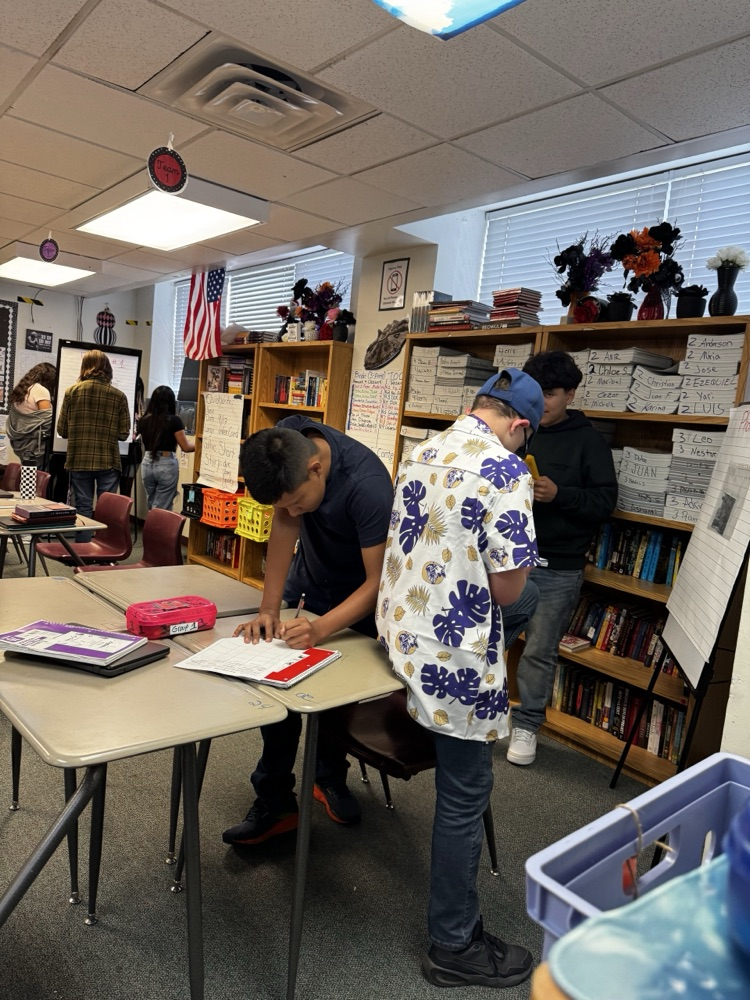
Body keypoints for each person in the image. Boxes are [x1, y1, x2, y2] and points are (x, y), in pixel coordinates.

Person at [377, 369, 544, 990]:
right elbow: (506, 588)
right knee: (465, 792)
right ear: (519, 425)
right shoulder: (506, 470)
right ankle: (453, 942)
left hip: (402, 639)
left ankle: (456, 931)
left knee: (460, 786)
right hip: (455, 657)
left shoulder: (418, 450)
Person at [222, 415, 394, 845]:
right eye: (286, 504)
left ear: (316, 468)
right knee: (277, 691)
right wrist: (267, 608)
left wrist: (321, 630)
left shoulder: (368, 485)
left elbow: (377, 583)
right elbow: (285, 522)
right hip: (308, 588)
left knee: (332, 699)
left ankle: (330, 778)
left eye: (299, 501)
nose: (294, 511)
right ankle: (275, 801)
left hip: (355, 599)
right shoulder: (285, 444)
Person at [507, 351, 618, 767]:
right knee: (487, 637)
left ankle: (527, 724)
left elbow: (605, 501)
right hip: (510, 556)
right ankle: (481, 709)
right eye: (536, 393)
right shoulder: (520, 429)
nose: (542, 402)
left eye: (550, 394)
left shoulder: (588, 442)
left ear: (571, 394)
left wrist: (561, 496)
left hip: (558, 564)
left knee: (538, 649)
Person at [56, 350, 130, 539]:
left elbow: (62, 430)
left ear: (84, 368)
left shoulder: (71, 392)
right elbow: (123, 434)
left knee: (82, 507)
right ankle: (106, 551)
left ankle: (83, 551)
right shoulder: (119, 396)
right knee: (108, 509)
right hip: (108, 460)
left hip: (79, 460)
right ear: (108, 368)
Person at [137, 385, 194, 510]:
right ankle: (157, 529)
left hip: (147, 463)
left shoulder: (144, 421)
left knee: (152, 504)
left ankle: (151, 528)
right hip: (166, 464)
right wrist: (203, 444)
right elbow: (186, 447)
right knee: (162, 509)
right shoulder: (175, 421)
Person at [6, 362, 57, 468]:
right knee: (39, 478)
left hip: (21, 444)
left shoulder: (23, 389)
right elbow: (48, 420)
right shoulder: (41, 391)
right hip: (35, 445)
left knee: (28, 476)